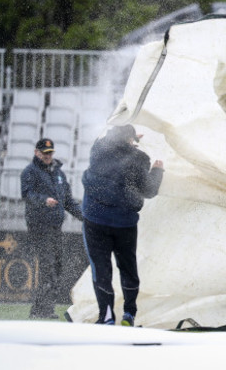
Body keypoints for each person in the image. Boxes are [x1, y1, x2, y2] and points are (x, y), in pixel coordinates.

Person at [81, 124, 164, 326]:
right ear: (130, 140)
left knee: (101, 269)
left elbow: (106, 137)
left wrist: (127, 136)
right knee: (127, 267)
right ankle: (129, 313)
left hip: (95, 219)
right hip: (124, 222)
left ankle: (107, 315)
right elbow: (149, 190)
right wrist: (157, 171)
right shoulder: (138, 159)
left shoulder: (98, 149)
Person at [21, 138, 84, 319]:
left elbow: (68, 201)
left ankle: (43, 308)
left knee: (56, 266)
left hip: (56, 226)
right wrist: (44, 201)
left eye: (50, 153)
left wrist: (83, 218)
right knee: (48, 266)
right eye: (45, 153)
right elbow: (27, 194)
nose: (48, 156)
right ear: (37, 153)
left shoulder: (59, 174)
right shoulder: (30, 172)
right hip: (39, 226)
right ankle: (42, 310)